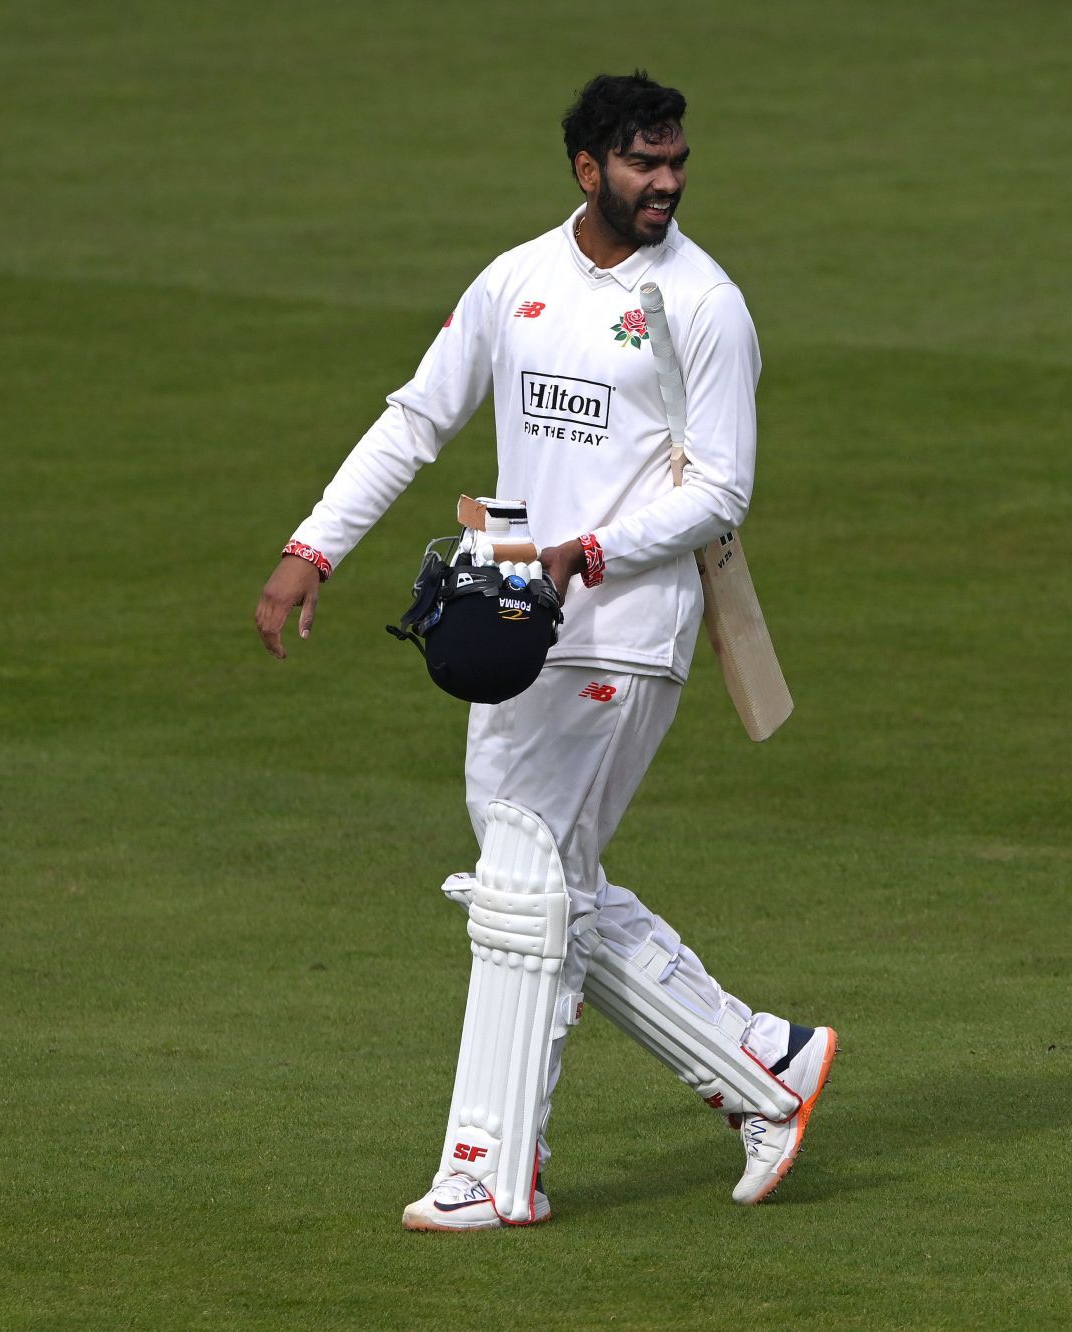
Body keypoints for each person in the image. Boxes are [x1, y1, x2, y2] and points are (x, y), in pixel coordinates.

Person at [254, 71, 836, 1231]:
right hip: (511, 626)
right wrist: (312, 548)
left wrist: (589, 555)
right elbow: (417, 416)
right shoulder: (515, 282)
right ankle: (763, 1065)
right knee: (547, 881)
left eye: (677, 162)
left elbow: (722, 489)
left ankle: (490, 1170)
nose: (665, 183)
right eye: (642, 164)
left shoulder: (705, 306)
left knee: (524, 876)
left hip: (623, 620)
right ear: (588, 169)